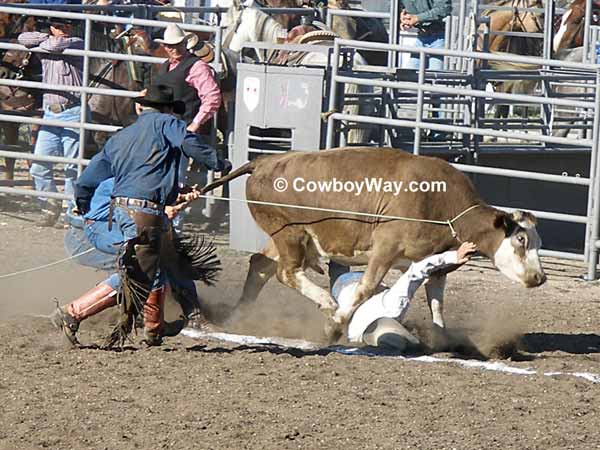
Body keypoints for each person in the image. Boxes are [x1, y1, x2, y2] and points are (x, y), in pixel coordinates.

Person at [53, 84, 225, 348]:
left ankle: (155, 328)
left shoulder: (122, 137)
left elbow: (88, 178)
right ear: (167, 109)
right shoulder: (166, 123)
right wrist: (219, 163)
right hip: (143, 213)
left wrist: (83, 203)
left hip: (121, 211)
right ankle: (73, 313)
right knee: (143, 271)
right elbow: (188, 142)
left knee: (148, 266)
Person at [55, 176, 219, 347]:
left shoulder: (141, 171)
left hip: (109, 228)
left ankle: (165, 323)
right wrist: (161, 212)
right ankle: (73, 313)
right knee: (142, 268)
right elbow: (134, 205)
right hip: (89, 234)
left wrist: (180, 194)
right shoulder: (132, 176)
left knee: (158, 259)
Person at [331, 241, 477, 352]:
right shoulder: (390, 304)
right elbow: (416, 271)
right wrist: (453, 256)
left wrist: (452, 256)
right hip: (349, 299)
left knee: (337, 261)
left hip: (347, 290)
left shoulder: (391, 304)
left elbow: (417, 271)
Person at [18, 18, 85, 227]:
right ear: (51, 28)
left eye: (65, 26)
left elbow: (56, 45)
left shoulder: (77, 41)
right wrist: (46, 38)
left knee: (72, 167)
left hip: (72, 111)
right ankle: (51, 204)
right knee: (38, 166)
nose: (62, 30)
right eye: (58, 26)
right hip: (51, 113)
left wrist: (44, 41)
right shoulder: (48, 40)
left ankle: (69, 210)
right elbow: (22, 38)